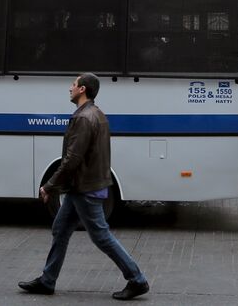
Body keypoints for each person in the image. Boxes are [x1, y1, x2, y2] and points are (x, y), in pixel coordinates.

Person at [18, 73, 149, 300]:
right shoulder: (96, 114)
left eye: (74, 84)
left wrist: (49, 186)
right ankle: (48, 280)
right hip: (82, 186)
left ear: (83, 89)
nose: (70, 88)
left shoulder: (84, 118)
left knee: (101, 236)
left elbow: (72, 159)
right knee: (61, 229)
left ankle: (137, 279)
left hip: (84, 188)